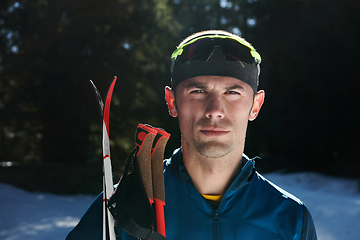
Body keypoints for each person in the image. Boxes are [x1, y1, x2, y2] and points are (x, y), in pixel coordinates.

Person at [66, 30, 317, 240]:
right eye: (198, 91)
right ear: (172, 101)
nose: (215, 110)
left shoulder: (290, 218)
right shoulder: (125, 205)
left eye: (233, 92)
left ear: (256, 105)